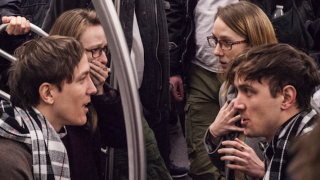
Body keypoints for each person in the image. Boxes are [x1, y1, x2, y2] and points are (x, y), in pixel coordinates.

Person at [48, 9, 172, 180]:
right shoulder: (58, 100)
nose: (105, 59)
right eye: (94, 50)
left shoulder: (102, 89)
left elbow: (119, 139)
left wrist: (100, 92)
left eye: (104, 49)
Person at [195, 1, 277, 179]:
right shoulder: (228, 89)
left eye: (226, 42)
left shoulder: (280, 95)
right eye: (215, 41)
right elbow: (226, 165)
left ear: (253, 42)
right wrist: (214, 134)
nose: (216, 51)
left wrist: (265, 171)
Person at [0, 35, 97, 179]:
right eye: (82, 79)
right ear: (48, 93)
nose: (93, 89)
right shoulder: (9, 162)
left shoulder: (54, 139)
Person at [218, 43, 320, 180]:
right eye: (237, 92)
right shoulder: (291, 146)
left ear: (286, 97)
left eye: (248, 91)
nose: (236, 104)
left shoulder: (311, 162)